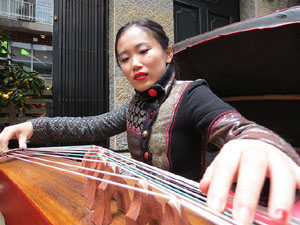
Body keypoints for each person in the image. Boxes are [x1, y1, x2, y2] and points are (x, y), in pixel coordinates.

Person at [0, 18, 299, 225]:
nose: (135, 64)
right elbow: (91, 126)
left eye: (144, 51)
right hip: (143, 208)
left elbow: (237, 128)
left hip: (186, 213)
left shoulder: (192, 94)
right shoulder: (134, 106)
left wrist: (255, 144)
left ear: (168, 53)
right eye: (125, 58)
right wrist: (34, 126)